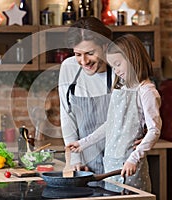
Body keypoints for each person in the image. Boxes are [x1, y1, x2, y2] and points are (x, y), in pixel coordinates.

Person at [66, 34, 162, 192]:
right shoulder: (122, 88)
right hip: (110, 164)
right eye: (113, 66)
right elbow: (110, 124)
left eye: (118, 64)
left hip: (129, 166)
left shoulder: (146, 91)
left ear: (132, 59)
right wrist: (83, 144)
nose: (116, 71)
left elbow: (154, 130)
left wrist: (134, 159)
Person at [58, 16, 114, 175]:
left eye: (90, 53)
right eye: (77, 54)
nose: (84, 61)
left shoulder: (120, 67)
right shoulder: (69, 67)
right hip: (86, 165)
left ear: (104, 46)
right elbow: (67, 116)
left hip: (122, 163)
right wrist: (75, 160)